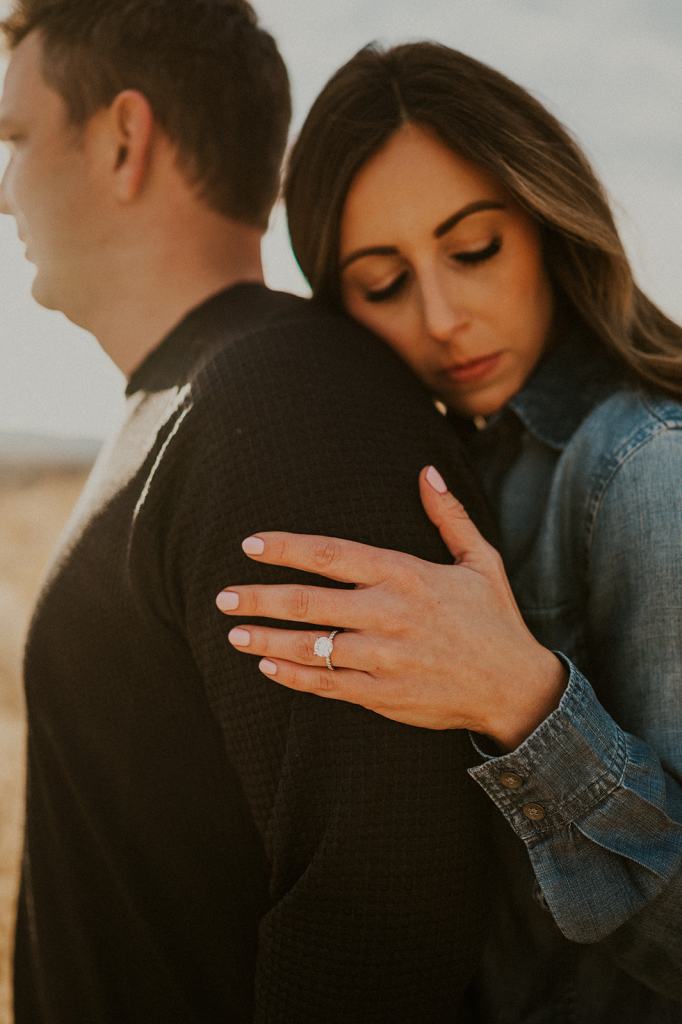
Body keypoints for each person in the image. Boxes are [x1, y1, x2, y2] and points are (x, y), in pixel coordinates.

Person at [0, 9, 496, 1022]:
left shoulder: (278, 405)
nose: (5, 187)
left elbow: (382, 895)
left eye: (15, 138)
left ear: (123, 138)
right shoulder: (205, 396)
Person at [216, 42, 682, 1020]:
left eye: (474, 250)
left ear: (551, 222)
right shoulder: (476, 465)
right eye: (382, 281)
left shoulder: (643, 469)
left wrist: (521, 701)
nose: (443, 315)